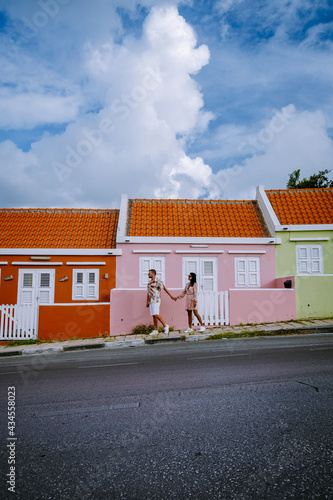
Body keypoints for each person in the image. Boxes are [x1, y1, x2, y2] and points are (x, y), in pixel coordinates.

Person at [146, 269, 176, 336]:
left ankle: (165, 325)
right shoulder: (149, 283)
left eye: (149, 273)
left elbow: (164, 288)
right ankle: (155, 330)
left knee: (156, 314)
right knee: (154, 315)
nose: (148, 274)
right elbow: (148, 293)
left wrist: (171, 296)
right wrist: (147, 301)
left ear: (153, 274)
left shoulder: (158, 281)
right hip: (151, 301)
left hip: (156, 300)